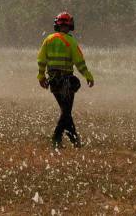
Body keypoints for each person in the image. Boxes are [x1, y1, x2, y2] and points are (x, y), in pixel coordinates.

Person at [37, 11, 94, 148]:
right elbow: (79, 62)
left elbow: (41, 59)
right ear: (70, 26)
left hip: (53, 81)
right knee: (66, 112)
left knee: (66, 112)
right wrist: (88, 75)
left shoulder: (48, 40)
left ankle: (75, 141)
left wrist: (41, 76)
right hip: (67, 82)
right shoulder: (71, 41)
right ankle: (56, 138)